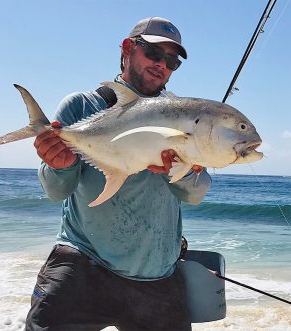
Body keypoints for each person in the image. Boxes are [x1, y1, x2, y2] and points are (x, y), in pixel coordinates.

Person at [25, 17, 212, 331]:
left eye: (171, 61)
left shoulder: (182, 116)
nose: (162, 65)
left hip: (157, 275)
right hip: (83, 263)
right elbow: (56, 191)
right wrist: (60, 165)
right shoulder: (81, 106)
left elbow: (195, 194)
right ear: (128, 48)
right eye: (154, 53)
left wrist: (183, 169)